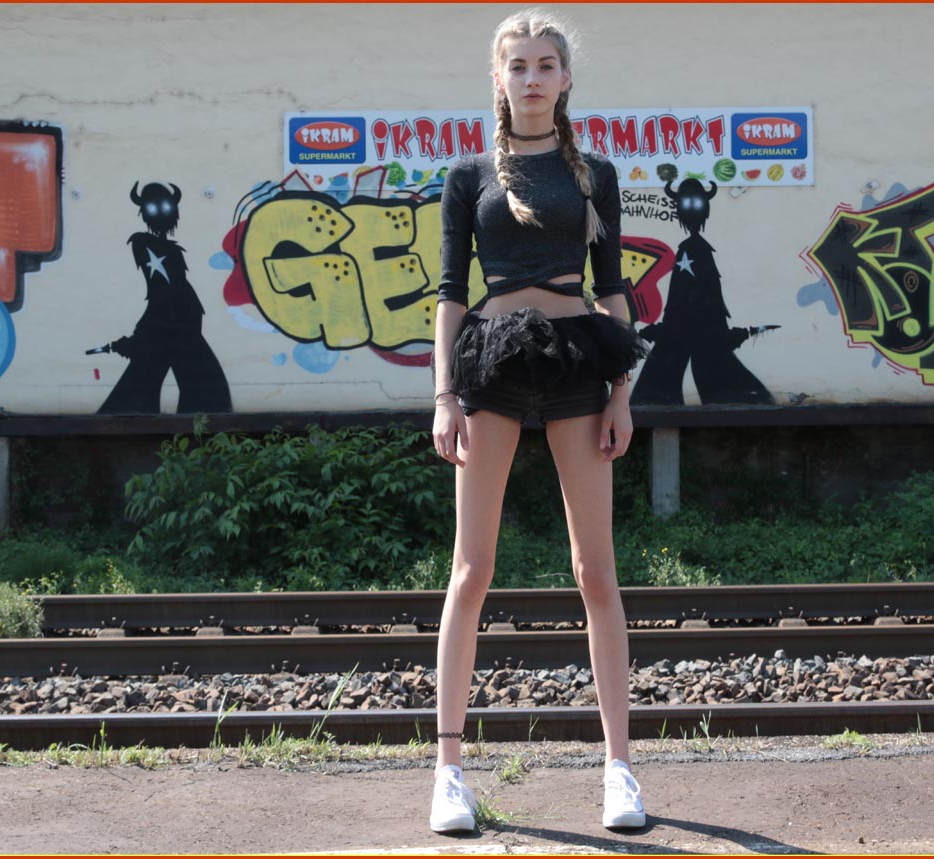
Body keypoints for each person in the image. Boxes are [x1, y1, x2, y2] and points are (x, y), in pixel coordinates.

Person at [428, 7, 647, 834]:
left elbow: (612, 289)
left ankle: (619, 771)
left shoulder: (594, 175)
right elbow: (450, 295)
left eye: (545, 64)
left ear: (565, 78)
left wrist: (622, 393)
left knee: (596, 572)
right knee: (471, 569)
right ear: (499, 77)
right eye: (517, 65)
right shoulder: (467, 177)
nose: (531, 77)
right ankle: (449, 773)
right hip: (491, 365)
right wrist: (444, 396)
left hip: (577, 363)